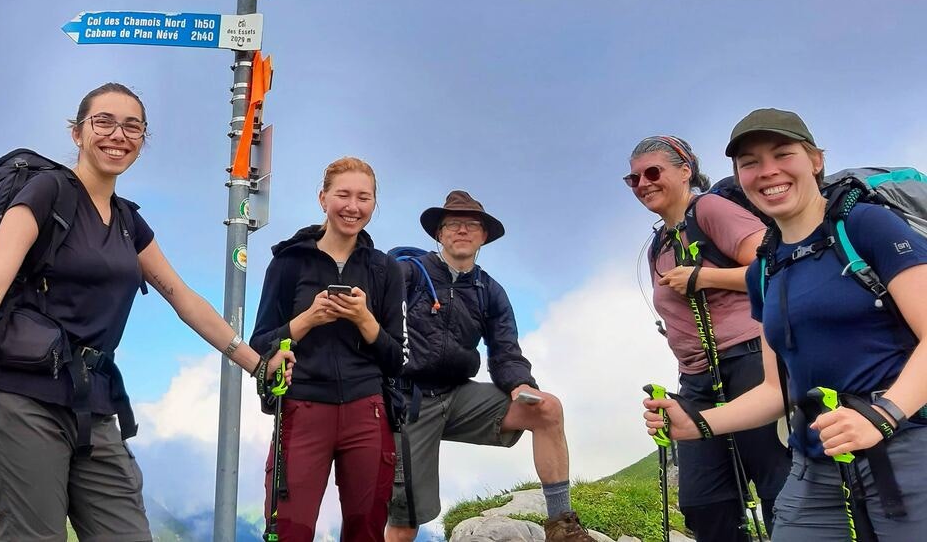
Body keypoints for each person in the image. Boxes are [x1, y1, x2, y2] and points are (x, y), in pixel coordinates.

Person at [0, 82, 293, 541]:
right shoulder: (44, 194)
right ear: (77, 133)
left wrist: (257, 365)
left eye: (133, 126)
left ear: (143, 140)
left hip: (95, 407)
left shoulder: (128, 221)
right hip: (24, 401)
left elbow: (183, 298)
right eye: (103, 121)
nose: (118, 135)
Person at [644, 108, 927, 539]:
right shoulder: (765, 268)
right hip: (815, 462)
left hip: (907, 448)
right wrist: (698, 424)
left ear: (814, 160)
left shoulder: (866, 227)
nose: (767, 171)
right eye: (750, 163)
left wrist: (882, 415)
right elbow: (778, 390)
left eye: (782, 154)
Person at [384, 190, 597, 542]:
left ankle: (563, 527)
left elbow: (505, 351)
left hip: (458, 396)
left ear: (484, 236)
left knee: (547, 410)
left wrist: (520, 384)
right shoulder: (406, 275)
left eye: (472, 224)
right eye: (453, 223)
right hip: (409, 401)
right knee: (407, 518)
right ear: (439, 233)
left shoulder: (488, 291)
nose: (462, 230)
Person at [628, 136, 788, 541]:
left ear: (685, 170)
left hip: (752, 359)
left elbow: (774, 266)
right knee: (703, 502)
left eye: (653, 172)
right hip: (697, 378)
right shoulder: (659, 244)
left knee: (778, 487)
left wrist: (704, 276)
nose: (643, 183)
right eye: (633, 178)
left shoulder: (711, 209)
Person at [248, 156, 406, 541]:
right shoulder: (288, 263)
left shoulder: (386, 269)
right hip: (302, 408)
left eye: (364, 198)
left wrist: (364, 319)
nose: (353, 207)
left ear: (374, 204)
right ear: (323, 199)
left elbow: (397, 359)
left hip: (367, 410)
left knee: (365, 530)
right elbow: (258, 347)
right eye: (343, 195)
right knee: (289, 529)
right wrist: (308, 319)